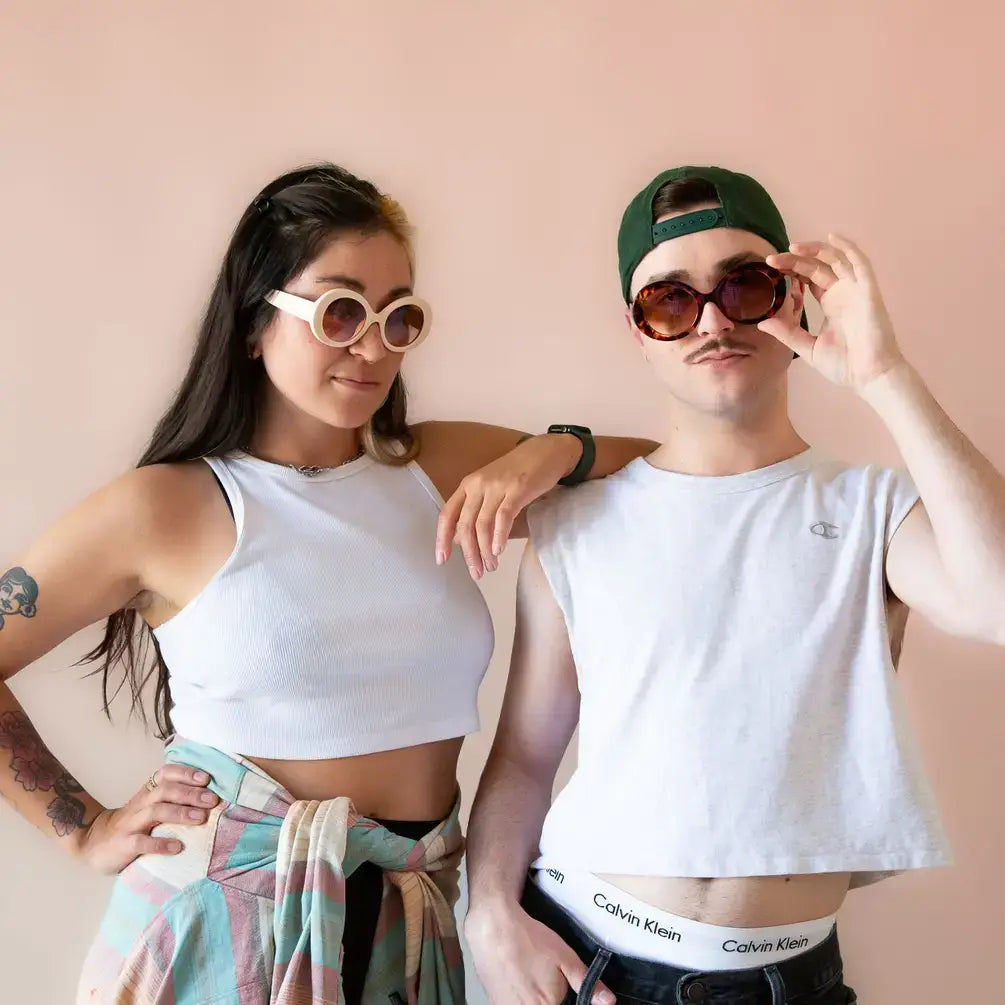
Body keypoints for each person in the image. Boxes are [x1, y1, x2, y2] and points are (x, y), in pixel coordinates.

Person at [0, 163, 653, 1005]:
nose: (373, 347)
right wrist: (85, 829)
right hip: (222, 926)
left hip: (410, 922)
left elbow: (666, 484)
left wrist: (554, 450)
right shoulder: (163, 507)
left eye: (398, 316)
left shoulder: (440, 468)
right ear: (253, 321)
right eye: (340, 311)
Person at [464, 165, 1005, 1005]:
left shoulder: (872, 509)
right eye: (670, 300)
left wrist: (882, 373)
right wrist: (489, 912)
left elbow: (996, 602)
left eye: (743, 286)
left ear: (791, 297)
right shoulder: (577, 523)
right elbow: (526, 756)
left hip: (791, 982)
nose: (712, 320)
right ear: (636, 328)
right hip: (589, 966)